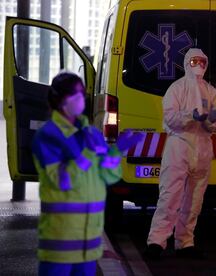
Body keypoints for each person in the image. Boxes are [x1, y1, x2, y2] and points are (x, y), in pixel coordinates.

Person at [32, 72, 142, 275]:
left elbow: (109, 176)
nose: (81, 99)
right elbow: (62, 180)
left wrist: (118, 150)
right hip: (59, 246)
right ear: (60, 99)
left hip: (89, 246)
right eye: (75, 94)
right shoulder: (48, 135)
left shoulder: (91, 133)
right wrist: (87, 152)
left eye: (82, 93)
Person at [145, 48, 216, 260]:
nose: (198, 64)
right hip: (179, 147)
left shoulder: (211, 92)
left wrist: (210, 120)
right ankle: (156, 242)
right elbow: (170, 118)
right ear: (186, 62)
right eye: (194, 61)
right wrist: (190, 116)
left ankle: (185, 242)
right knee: (169, 197)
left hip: (202, 149)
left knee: (194, 201)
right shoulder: (176, 89)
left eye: (202, 60)